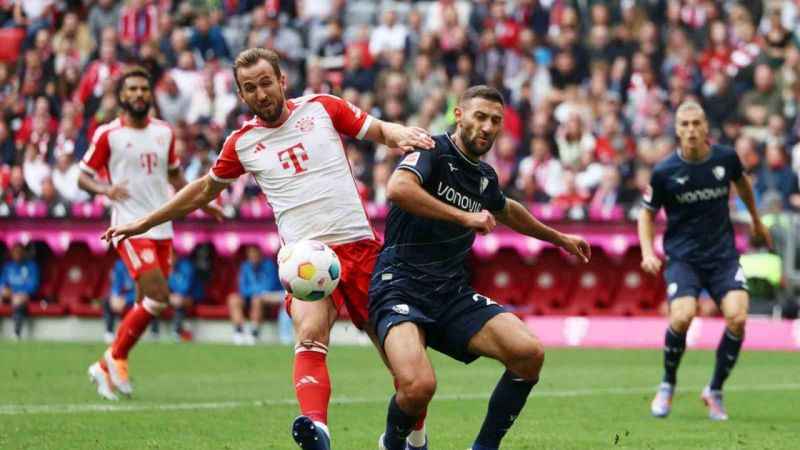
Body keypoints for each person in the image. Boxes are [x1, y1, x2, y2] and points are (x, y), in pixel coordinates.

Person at [101, 48, 435, 449]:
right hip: (306, 260)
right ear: (242, 96)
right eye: (249, 88)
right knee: (310, 334)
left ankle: (413, 440)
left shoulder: (321, 107)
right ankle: (318, 430)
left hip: (362, 251)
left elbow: (377, 129)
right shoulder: (242, 143)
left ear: (281, 81)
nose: (259, 93)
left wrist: (401, 134)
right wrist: (144, 221)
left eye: (264, 83)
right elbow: (203, 189)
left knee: (408, 373)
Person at [369, 85, 590, 450]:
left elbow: (507, 209)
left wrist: (559, 238)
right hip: (400, 284)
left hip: (450, 293)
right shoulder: (432, 150)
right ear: (459, 115)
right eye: (480, 117)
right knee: (419, 387)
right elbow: (398, 188)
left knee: (528, 354)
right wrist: (464, 216)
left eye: (496, 121)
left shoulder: (484, 175)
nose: (487, 127)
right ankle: (392, 444)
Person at [79, 66, 223, 401]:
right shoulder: (108, 134)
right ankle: (112, 358)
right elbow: (81, 176)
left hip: (162, 227)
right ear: (122, 95)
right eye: (133, 89)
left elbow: (174, 177)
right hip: (128, 226)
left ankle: (112, 361)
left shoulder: (164, 132)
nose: (140, 94)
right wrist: (104, 188)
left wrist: (204, 202)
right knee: (158, 296)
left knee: (150, 302)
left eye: (144, 89)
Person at [639, 101, 772, 421]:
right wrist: (646, 252)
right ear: (677, 131)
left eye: (696, 123)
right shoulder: (664, 172)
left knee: (738, 318)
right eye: (684, 125)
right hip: (684, 258)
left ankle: (714, 390)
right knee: (682, 316)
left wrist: (755, 222)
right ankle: (668, 383)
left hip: (723, 255)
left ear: (706, 127)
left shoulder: (725, 159)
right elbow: (647, 213)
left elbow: (744, 186)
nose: (691, 130)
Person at [227, 245, 283, 345]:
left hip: (269, 298)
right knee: (233, 299)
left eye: (255, 253)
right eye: (250, 254)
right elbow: (242, 288)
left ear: (260, 254)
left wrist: (254, 292)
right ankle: (239, 331)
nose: (253, 256)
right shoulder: (245, 266)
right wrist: (253, 292)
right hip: (250, 297)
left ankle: (254, 332)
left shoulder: (269, 265)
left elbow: (269, 286)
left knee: (256, 299)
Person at [0, 243, 40, 340]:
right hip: (9, 295)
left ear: (24, 253)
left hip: (25, 296)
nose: (17, 254)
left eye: (19, 252)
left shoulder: (32, 266)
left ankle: (16, 333)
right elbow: (2, 282)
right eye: (15, 252)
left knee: (18, 299)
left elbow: (33, 286)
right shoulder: (8, 267)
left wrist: (17, 293)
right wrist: (4, 290)